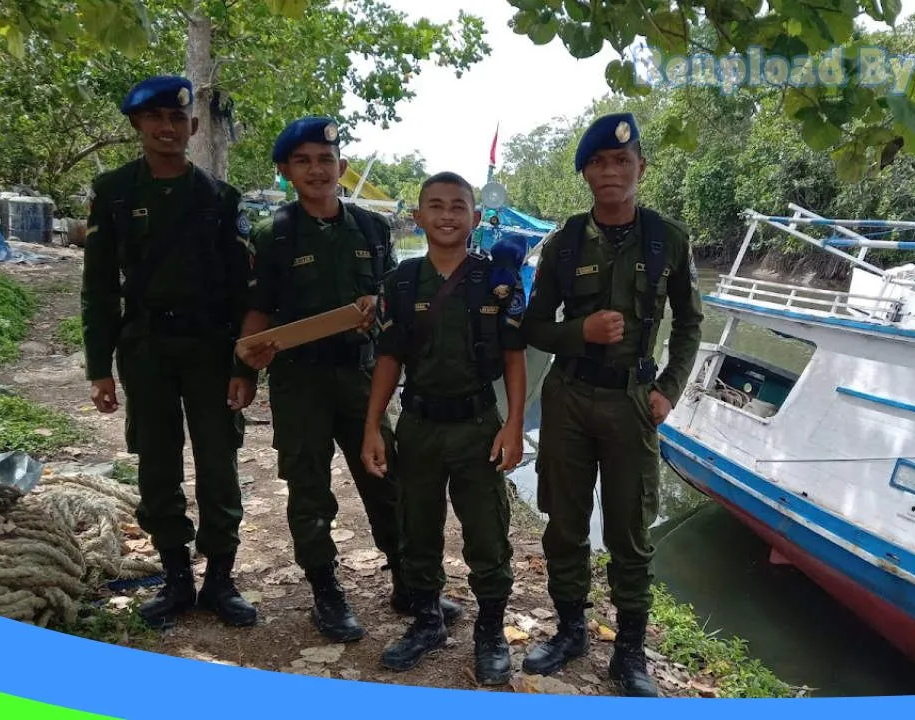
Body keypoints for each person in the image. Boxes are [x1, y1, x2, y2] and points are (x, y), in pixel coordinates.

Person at [234, 117, 461, 642]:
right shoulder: (275, 235)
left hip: (361, 378)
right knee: (310, 491)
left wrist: (376, 306)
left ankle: (409, 583)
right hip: (299, 383)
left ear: (342, 167)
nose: (317, 169)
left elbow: (392, 304)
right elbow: (257, 311)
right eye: (304, 161)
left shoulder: (372, 229)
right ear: (287, 170)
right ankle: (326, 594)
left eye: (326, 159)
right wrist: (245, 365)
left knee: (387, 481)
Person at [518, 113, 704, 697]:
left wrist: (669, 390)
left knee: (630, 531)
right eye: (598, 162)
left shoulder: (668, 238)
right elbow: (532, 326)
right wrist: (581, 333)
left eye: (621, 161)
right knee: (565, 524)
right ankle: (571, 631)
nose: (610, 171)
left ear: (640, 168)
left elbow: (691, 325)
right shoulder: (564, 242)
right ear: (585, 173)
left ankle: (629, 653)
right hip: (569, 398)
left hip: (632, 404)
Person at [80, 75, 257, 630]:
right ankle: (177, 577)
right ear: (137, 125)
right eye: (155, 118)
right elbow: (100, 285)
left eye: (177, 119)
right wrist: (98, 366)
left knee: (219, 465)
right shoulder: (113, 193)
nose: (167, 128)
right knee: (157, 463)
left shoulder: (219, 199)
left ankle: (220, 580)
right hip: (147, 350)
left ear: (194, 127)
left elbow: (242, 292)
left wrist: (241, 365)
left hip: (210, 349)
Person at [361, 171, 527, 684]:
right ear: (418, 217)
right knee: (417, 527)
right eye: (435, 205)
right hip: (418, 426)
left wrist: (515, 425)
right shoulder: (401, 282)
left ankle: (491, 630)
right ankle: (428, 619)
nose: (447, 214)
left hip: (478, 424)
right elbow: (388, 359)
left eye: (459, 206)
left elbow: (515, 356)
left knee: (486, 532)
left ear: (476, 219)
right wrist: (373, 425)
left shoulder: (495, 280)